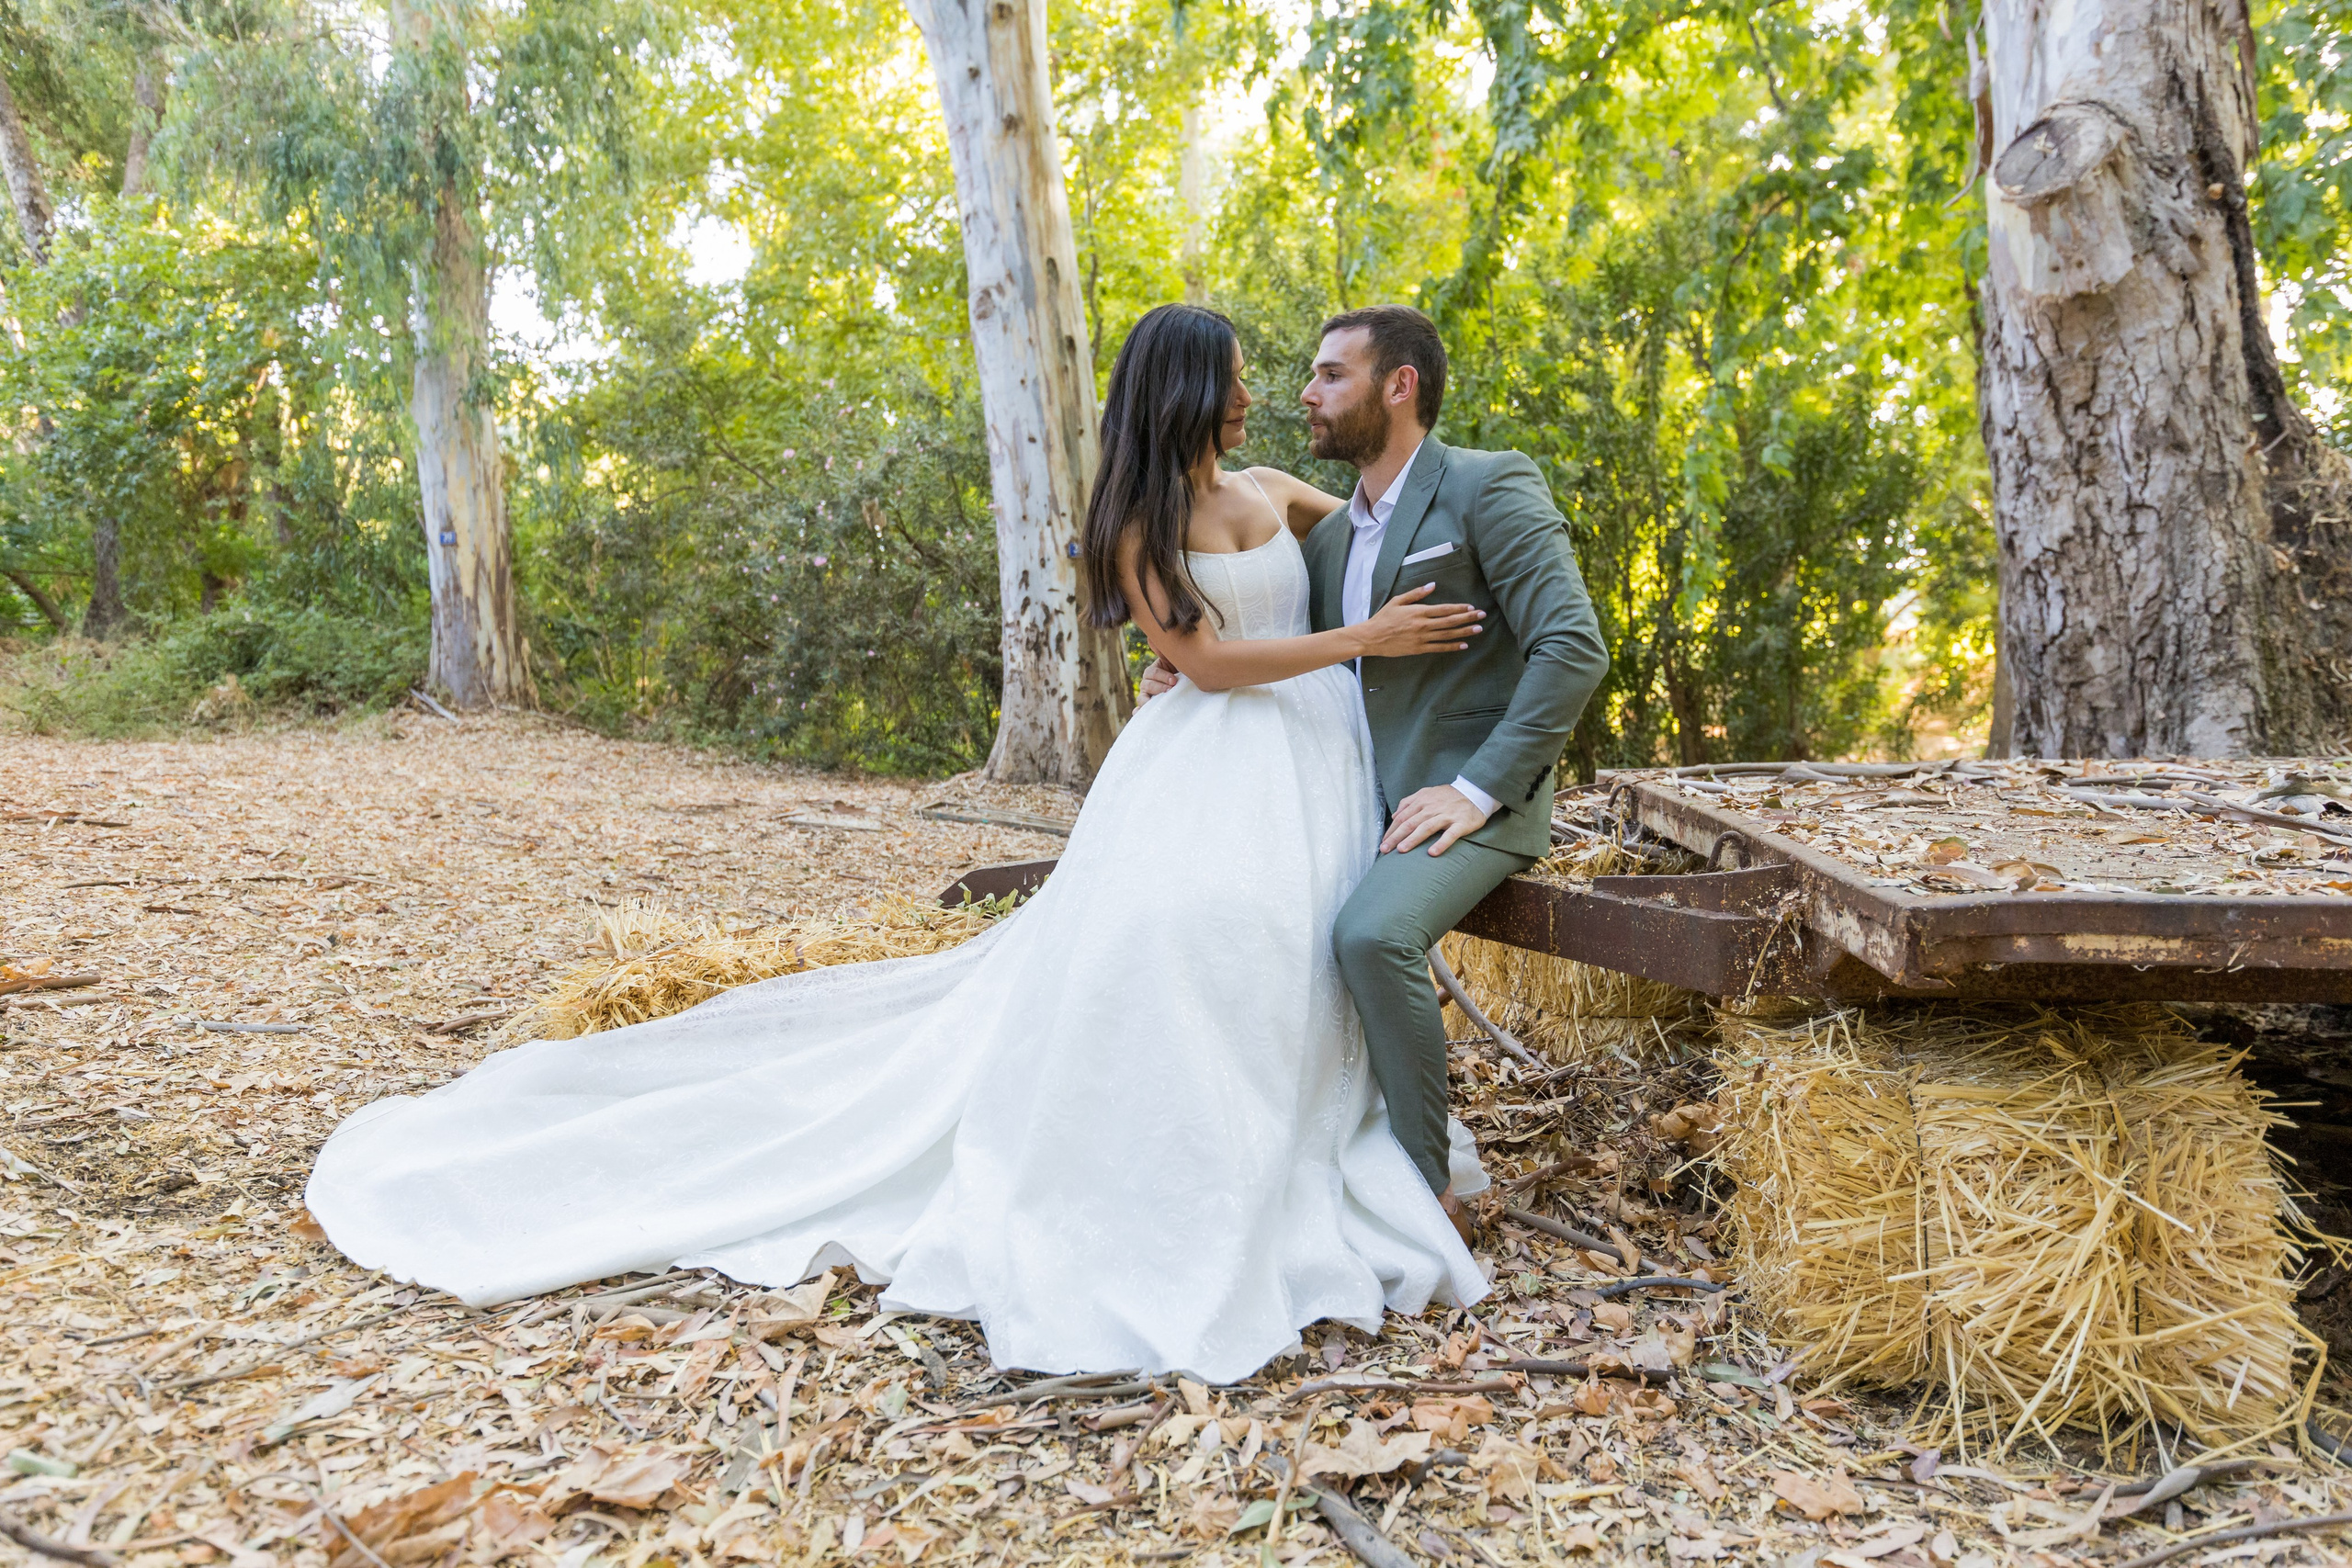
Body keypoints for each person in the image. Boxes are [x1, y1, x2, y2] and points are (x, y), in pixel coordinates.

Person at [304, 303, 1510, 1382]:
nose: (1258, 396)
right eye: (1240, 377)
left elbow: (1372, 541)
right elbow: (1200, 661)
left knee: (1286, 942)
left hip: (1307, 765)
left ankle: (1306, 1131)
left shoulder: (1275, 491)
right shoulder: (1137, 521)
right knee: (1170, 937)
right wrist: (1361, 645)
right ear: (1187, 387)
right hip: (1202, 759)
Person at [1141, 304, 1610, 1230]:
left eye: (1330, 376)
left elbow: (1573, 647)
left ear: (1399, 387)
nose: (1304, 394)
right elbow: (1259, 618)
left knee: (1369, 936)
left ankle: (1422, 1186)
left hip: (1460, 797)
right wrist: (1178, 658)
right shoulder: (1328, 533)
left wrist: (1477, 791)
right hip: (1341, 791)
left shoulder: (1488, 486)